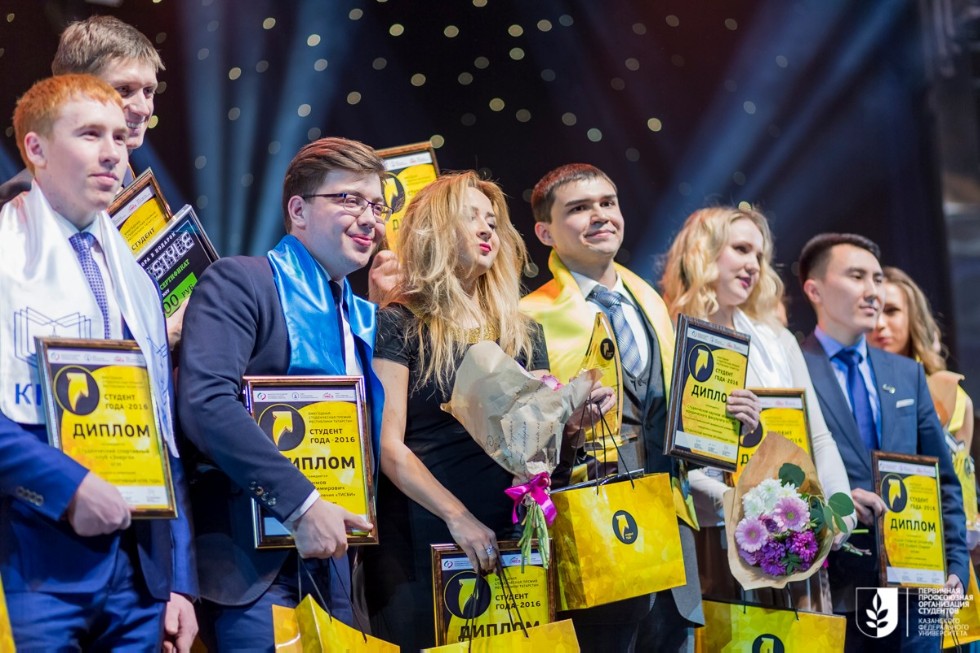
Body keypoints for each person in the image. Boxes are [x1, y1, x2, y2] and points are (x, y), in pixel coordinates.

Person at [360, 171, 613, 651]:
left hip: (511, 540)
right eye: (470, 218)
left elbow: (535, 458)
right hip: (425, 538)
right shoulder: (400, 322)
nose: (486, 230)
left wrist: (571, 426)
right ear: (433, 231)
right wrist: (458, 517)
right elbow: (388, 447)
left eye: (493, 222)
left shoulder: (524, 332)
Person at [519, 164, 757, 652]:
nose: (600, 215)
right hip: (596, 527)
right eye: (579, 208)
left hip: (671, 521)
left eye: (608, 203)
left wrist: (728, 419)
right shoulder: (528, 317)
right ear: (545, 232)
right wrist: (568, 424)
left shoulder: (649, 301)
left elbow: (671, 416)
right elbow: (518, 439)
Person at [0, 74, 196, 651]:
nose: (114, 152)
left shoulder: (137, 281)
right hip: (29, 564)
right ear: (36, 149)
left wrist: (179, 579)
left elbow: (162, 433)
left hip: (139, 579)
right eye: (89, 134)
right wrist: (70, 487)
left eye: (118, 136)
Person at [177, 137, 383, 650]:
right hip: (256, 568)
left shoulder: (360, 318)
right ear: (298, 210)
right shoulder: (241, 282)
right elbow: (206, 403)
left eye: (377, 206)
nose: (369, 219)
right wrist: (302, 504)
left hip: (340, 562)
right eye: (349, 199)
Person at [659, 205, 853, 611]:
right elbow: (676, 464)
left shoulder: (777, 340)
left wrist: (840, 510)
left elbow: (818, 437)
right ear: (703, 252)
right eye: (741, 249)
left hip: (797, 535)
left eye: (759, 256)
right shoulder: (669, 338)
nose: (753, 265)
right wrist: (741, 506)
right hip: (716, 540)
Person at [798, 233, 968, 650]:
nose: (873, 290)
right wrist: (832, 503)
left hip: (917, 585)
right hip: (832, 588)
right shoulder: (793, 367)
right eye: (856, 276)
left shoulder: (906, 374)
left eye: (876, 278)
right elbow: (773, 477)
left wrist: (956, 567)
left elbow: (944, 481)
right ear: (815, 290)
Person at [0, 15, 161, 204]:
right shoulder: (27, 198)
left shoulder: (125, 174)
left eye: (148, 91)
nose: (143, 109)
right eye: (124, 90)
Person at [869, 266, 977, 542]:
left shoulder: (951, 395)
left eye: (891, 311)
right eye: (874, 310)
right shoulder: (849, 389)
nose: (880, 323)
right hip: (869, 534)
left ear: (913, 317)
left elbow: (960, 481)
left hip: (935, 538)